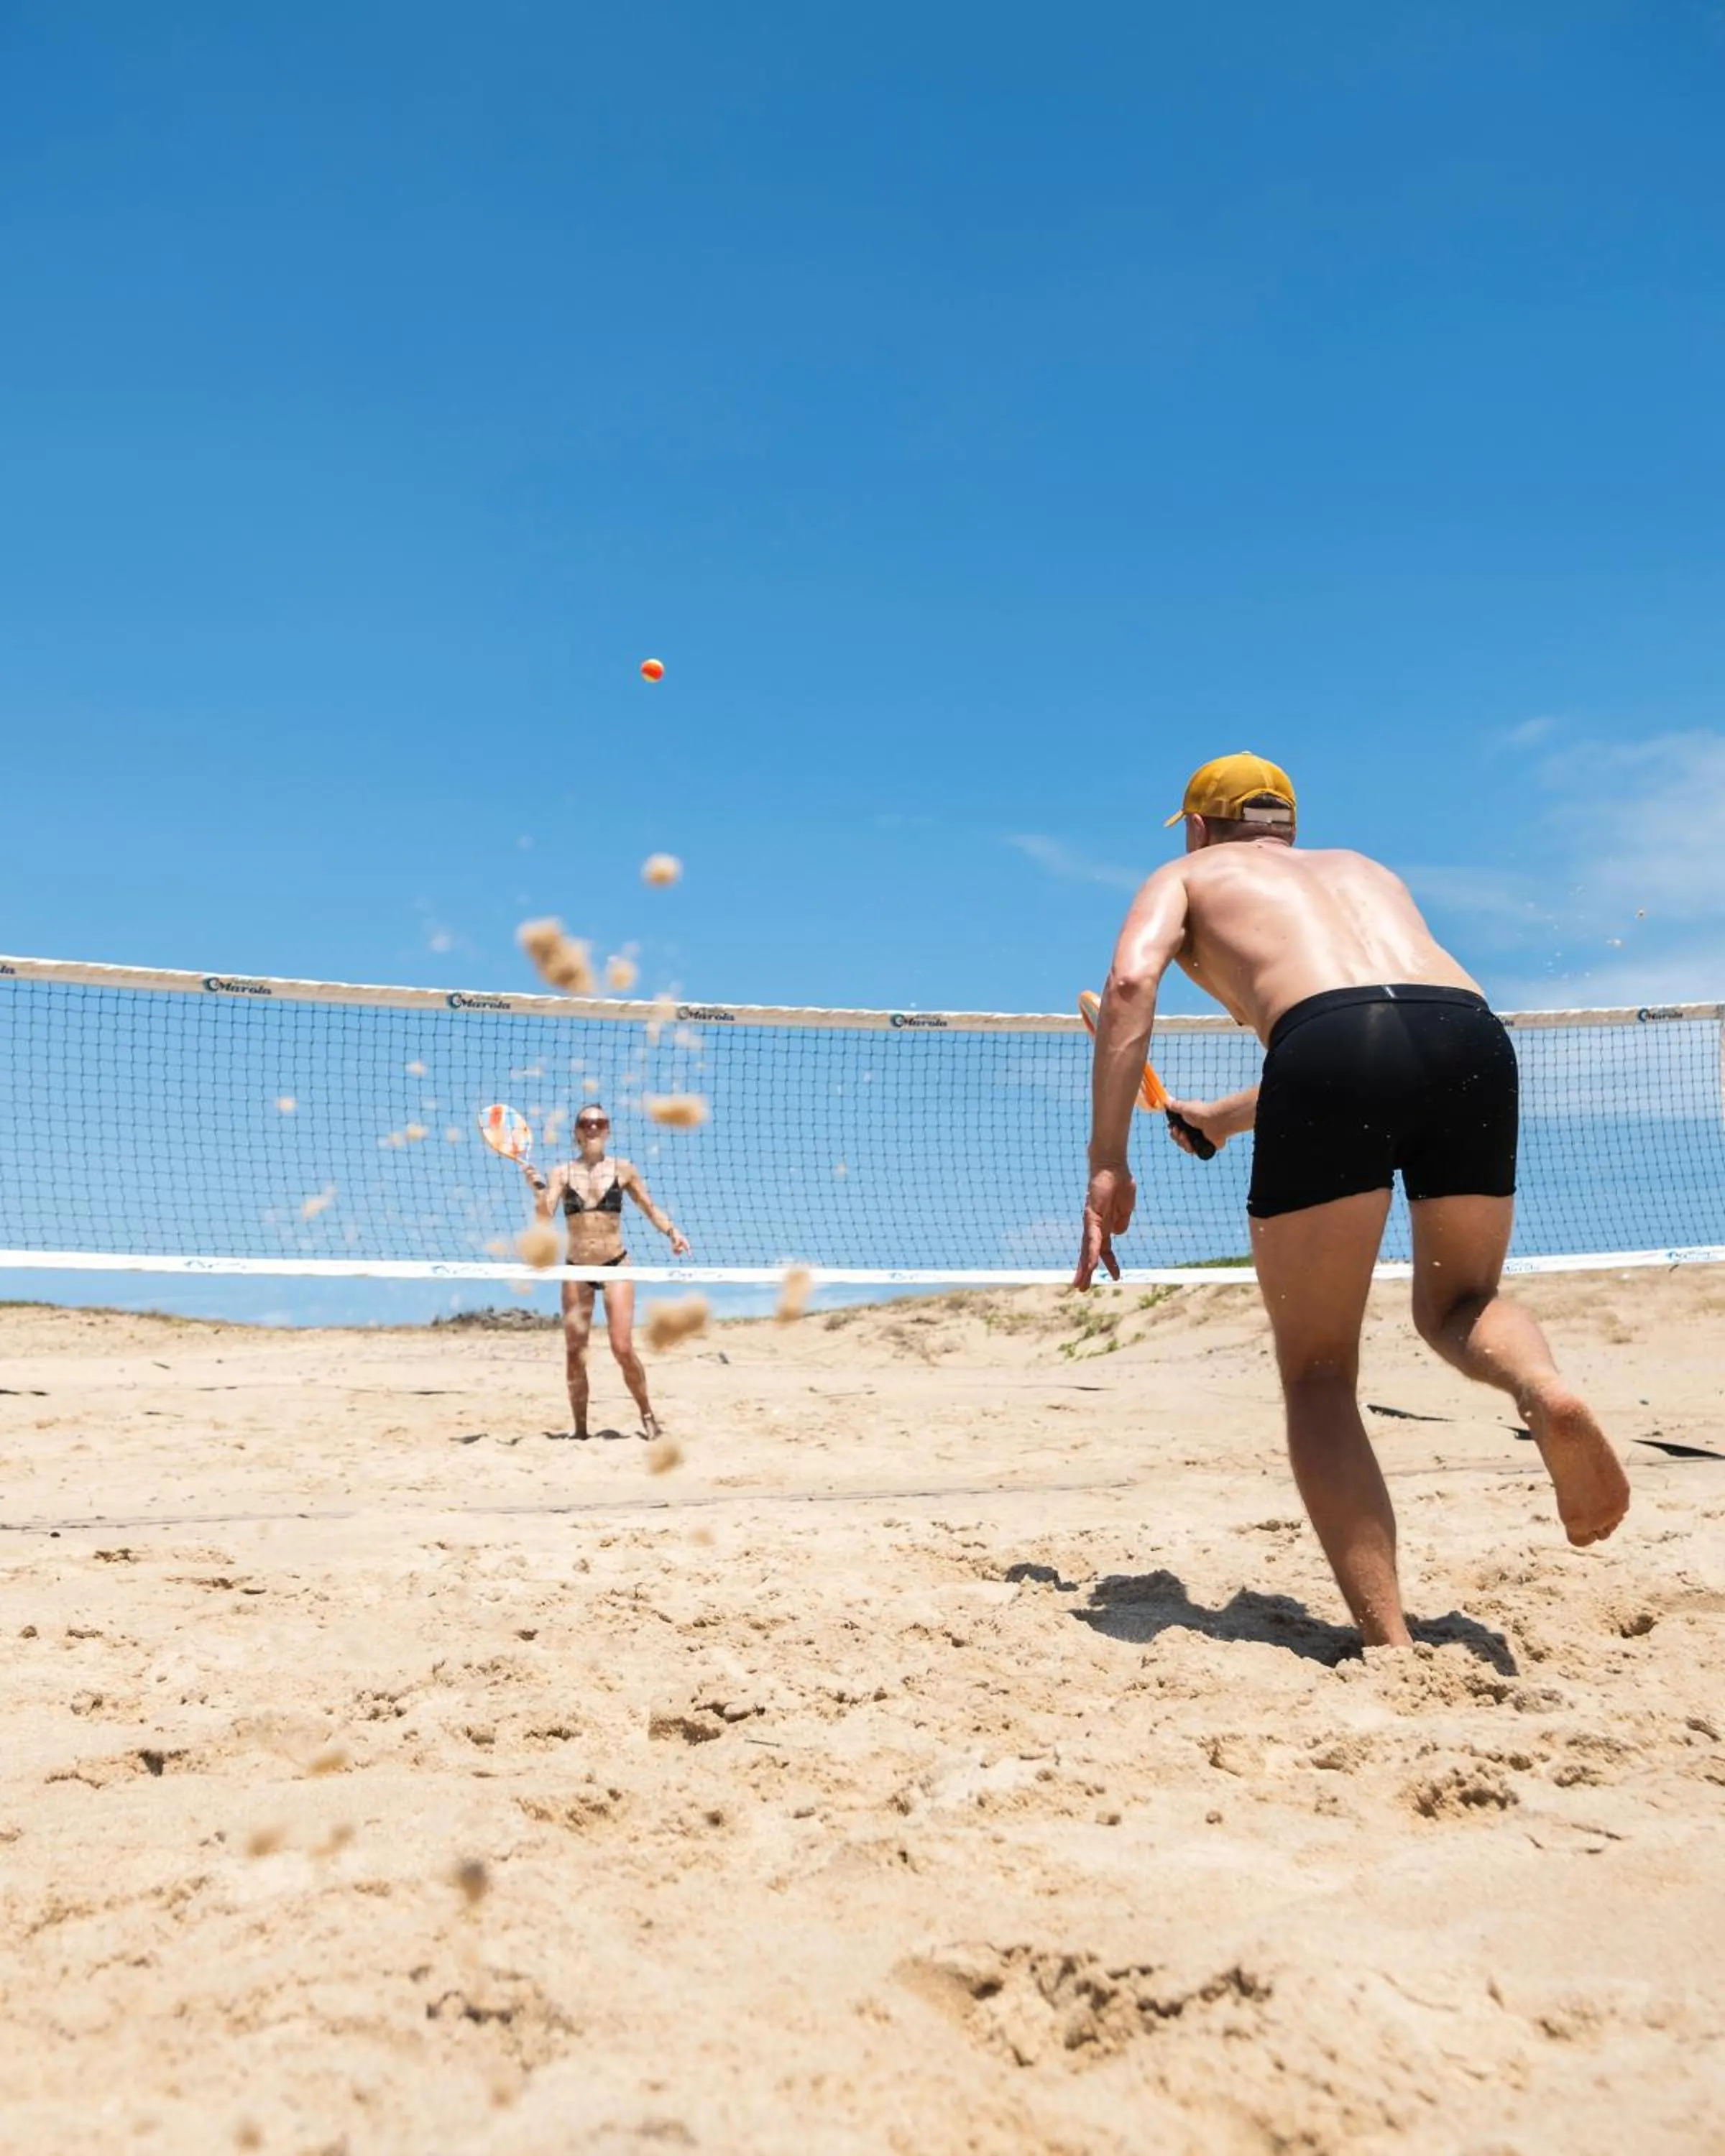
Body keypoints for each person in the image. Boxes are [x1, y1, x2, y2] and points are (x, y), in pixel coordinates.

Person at [1074, 752, 1630, 1649]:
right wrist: (1223, 1119)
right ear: (1287, 824)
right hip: (1468, 1035)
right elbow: (1380, 1024)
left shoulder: (1188, 875)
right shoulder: (1367, 872)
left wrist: (1108, 1161)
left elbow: (1134, 986)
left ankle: (1391, 1641)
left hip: (1327, 1046)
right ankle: (1543, 1388)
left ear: (1201, 827)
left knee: (1320, 1372)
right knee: (1461, 1303)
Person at [522, 1105, 691, 1441]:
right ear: (577, 1132)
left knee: (622, 1347)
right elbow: (544, 1217)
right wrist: (537, 1190)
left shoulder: (623, 1169)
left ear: (608, 1130)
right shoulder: (562, 1173)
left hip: (616, 1264)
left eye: (600, 1123)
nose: (593, 1128)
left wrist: (673, 1233)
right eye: (586, 1123)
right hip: (577, 1268)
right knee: (575, 1353)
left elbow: (649, 1207)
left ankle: (648, 1415)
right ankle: (581, 1430)